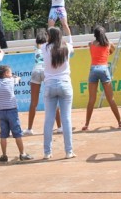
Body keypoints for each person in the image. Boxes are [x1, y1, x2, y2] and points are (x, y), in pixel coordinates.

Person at [82, 25, 121, 131]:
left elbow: (93, 50)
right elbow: (112, 50)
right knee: (111, 99)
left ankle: (86, 125)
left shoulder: (90, 44)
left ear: (95, 35)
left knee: (92, 99)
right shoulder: (109, 44)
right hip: (104, 69)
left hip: (93, 69)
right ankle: (120, 122)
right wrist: (107, 53)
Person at [42, 26, 76, 160]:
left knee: (48, 120)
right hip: (65, 84)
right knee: (66, 119)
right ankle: (69, 151)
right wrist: (69, 34)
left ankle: (47, 152)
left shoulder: (44, 47)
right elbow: (72, 46)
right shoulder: (66, 46)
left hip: (50, 85)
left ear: (50, 36)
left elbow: (41, 43)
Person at [23, 31, 62, 136]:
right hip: (46, 72)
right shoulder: (49, 47)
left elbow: (39, 42)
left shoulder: (36, 47)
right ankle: (59, 127)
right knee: (53, 100)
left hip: (36, 71)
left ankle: (29, 129)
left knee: (33, 102)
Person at [0, 65, 33, 163]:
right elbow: (18, 79)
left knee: (3, 135)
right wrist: (16, 77)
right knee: (17, 133)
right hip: (12, 111)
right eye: (10, 72)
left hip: (2, 112)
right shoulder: (10, 81)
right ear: (6, 74)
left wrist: (12, 76)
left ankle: (4, 155)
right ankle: (22, 154)